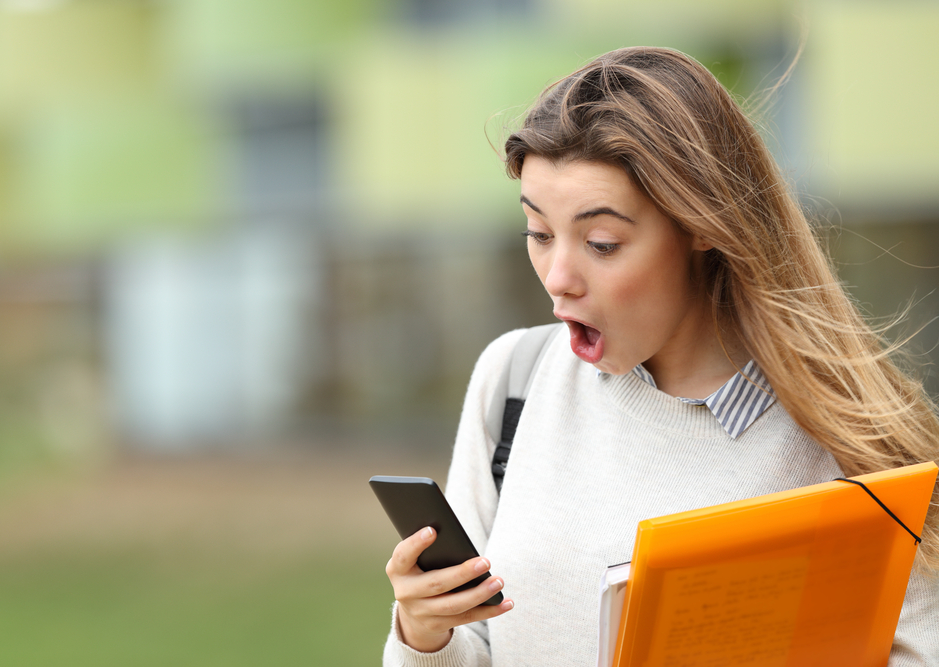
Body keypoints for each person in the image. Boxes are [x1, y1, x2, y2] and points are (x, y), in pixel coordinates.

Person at [381, 46, 939, 666]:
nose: (558, 276)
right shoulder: (512, 381)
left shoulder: (846, 436)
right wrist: (424, 633)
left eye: (601, 242)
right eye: (538, 234)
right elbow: (476, 646)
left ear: (703, 223)